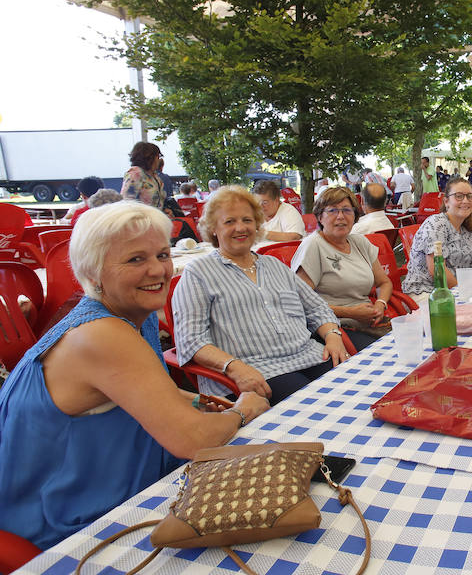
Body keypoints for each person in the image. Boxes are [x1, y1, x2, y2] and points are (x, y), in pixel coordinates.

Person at [0, 201, 270, 549]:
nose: (158, 271)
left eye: (161, 255)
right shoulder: (102, 334)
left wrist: (201, 399)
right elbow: (193, 440)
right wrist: (242, 409)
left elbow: (137, 391)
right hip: (71, 524)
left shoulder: (124, 314)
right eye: (135, 259)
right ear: (93, 273)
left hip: (106, 489)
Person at [172, 186, 351, 405]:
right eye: (229, 221)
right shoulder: (198, 273)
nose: (241, 228)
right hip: (258, 370)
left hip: (310, 355)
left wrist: (333, 336)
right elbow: (191, 340)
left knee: (358, 389)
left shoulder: (273, 264)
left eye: (247, 220)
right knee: (324, 406)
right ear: (213, 229)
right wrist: (235, 368)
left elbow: (316, 308)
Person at [291, 187, 389, 345]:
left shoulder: (360, 242)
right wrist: (350, 312)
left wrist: (380, 303)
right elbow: (300, 302)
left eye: (347, 210)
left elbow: (384, 282)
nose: (340, 216)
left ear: (355, 216)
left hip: (368, 322)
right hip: (334, 328)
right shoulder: (313, 246)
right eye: (332, 211)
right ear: (320, 217)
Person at [402, 176, 472, 306]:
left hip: (453, 291)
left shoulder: (468, 232)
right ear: (446, 201)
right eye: (458, 196)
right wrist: (463, 294)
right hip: (425, 292)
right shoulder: (436, 224)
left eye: (470, 196)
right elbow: (437, 270)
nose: (465, 200)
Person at [121, 141, 166, 209]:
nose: (159, 159)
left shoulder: (155, 176)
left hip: (155, 217)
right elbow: (127, 202)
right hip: (140, 217)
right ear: (149, 157)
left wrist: (164, 210)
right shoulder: (135, 174)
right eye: (158, 156)